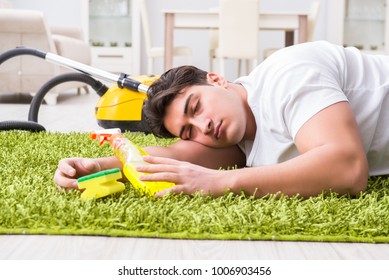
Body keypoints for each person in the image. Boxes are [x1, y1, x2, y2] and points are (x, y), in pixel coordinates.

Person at [54, 40, 389, 198]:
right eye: (188, 130)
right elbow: (175, 159)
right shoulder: (234, 137)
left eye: (196, 107)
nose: (203, 127)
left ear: (216, 79)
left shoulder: (289, 74)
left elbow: (347, 169)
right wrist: (97, 166)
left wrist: (220, 183)